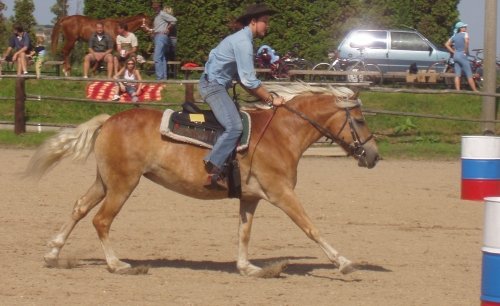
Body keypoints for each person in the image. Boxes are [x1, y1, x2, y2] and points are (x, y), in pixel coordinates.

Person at [198, 3, 285, 190]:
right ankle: (213, 169)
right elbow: (248, 81)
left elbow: (243, 78)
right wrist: (270, 99)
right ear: (253, 22)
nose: (267, 26)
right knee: (235, 126)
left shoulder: (241, 39)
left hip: (215, 84)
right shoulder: (243, 42)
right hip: (213, 86)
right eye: (264, 22)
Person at [142, 2, 177, 80]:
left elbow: (174, 20)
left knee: (157, 57)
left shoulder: (162, 14)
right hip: (158, 36)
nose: (154, 8)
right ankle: (163, 77)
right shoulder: (157, 16)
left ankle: (159, 78)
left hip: (161, 37)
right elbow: (157, 28)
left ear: (159, 7)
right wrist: (150, 30)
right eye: (153, 7)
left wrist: (168, 28)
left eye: (156, 7)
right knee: (162, 58)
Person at [444, 21, 478, 91]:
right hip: (462, 55)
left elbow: (446, 44)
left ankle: (458, 90)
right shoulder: (465, 34)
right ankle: (475, 90)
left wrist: (453, 51)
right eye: (464, 27)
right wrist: (465, 50)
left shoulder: (454, 36)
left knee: (457, 74)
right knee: (469, 74)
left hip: (456, 56)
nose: (465, 28)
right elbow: (467, 42)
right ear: (460, 28)